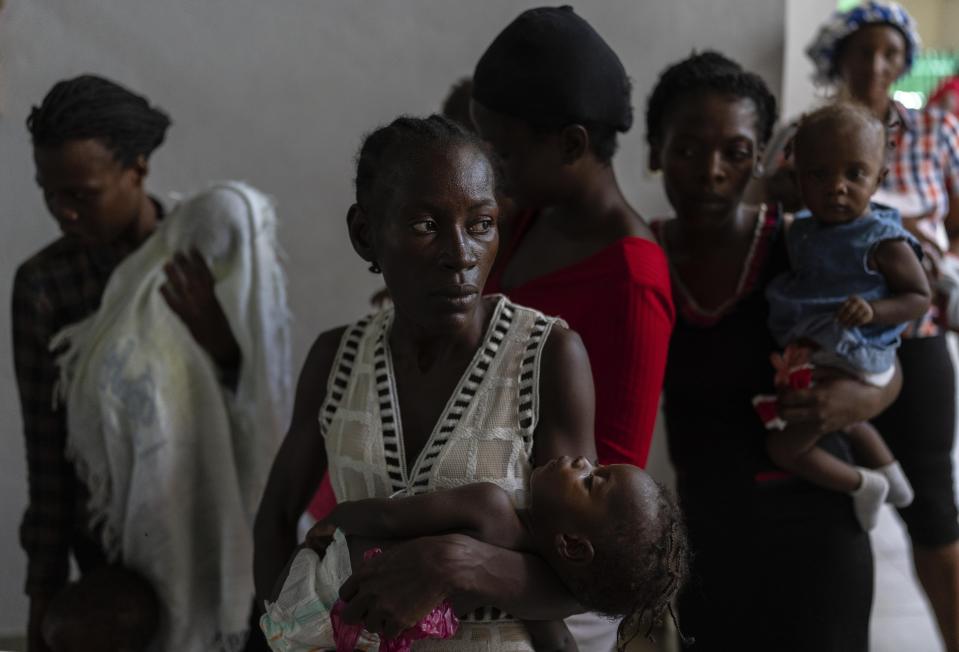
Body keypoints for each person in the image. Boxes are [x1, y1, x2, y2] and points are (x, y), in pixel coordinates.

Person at [255, 115, 669, 652]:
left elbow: (580, 578)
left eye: (481, 224)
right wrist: (281, 633)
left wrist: (455, 564)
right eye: (426, 226)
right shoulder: (337, 358)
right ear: (365, 234)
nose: (461, 256)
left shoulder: (546, 356)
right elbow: (276, 518)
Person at [14, 75, 291, 652]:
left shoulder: (206, 251)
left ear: (137, 170)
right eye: (49, 193)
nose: (62, 212)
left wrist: (223, 345)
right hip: (121, 560)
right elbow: (48, 454)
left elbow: (270, 395)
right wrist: (43, 608)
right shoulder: (45, 284)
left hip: (224, 531)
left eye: (82, 194)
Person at [646, 51, 903, 651]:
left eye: (735, 152)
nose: (711, 171)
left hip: (820, 531)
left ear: (760, 158)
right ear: (655, 151)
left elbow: (892, 372)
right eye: (686, 149)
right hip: (705, 538)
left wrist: (859, 400)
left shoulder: (804, 247)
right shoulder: (641, 258)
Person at [806, 4, 959, 648]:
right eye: (862, 52)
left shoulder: (935, 134)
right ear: (836, 59)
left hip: (916, 341)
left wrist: (930, 253)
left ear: (906, 63)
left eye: (891, 54)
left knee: (934, 512)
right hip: (829, 345)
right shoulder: (807, 134)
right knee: (833, 518)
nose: (876, 66)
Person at [470, 6, 673, 474]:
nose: (489, 171)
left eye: (503, 153)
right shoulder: (522, 219)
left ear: (571, 145)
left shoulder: (632, 283)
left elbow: (609, 483)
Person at [267, 456, 687, 651]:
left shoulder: (490, 509)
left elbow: (391, 519)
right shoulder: (528, 592)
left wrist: (338, 517)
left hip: (317, 589)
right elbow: (558, 642)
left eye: (591, 480)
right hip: (340, 637)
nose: (582, 460)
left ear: (572, 545)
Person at [756, 103, 927, 531]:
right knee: (849, 422)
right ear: (799, 177)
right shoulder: (804, 230)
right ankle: (893, 477)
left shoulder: (883, 240)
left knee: (784, 448)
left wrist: (874, 311)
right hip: (826, 350)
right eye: (819, 174)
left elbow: (919, 297)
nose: (836, 187)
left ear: (879, 180)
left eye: (854, 174)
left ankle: (862, 484)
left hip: (860, 351)